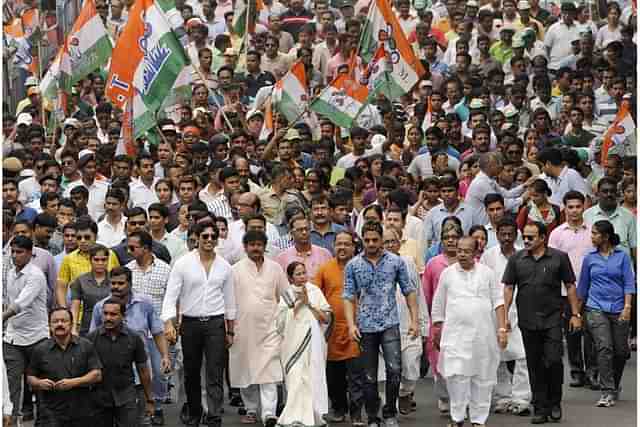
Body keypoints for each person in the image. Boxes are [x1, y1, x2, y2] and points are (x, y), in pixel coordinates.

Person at [502, 221, 582, 424]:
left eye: (531, 237)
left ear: (542, 238)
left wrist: (575, 314)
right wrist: (504, 317)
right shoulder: (516, 260)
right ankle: (540, 406)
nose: (526, 240)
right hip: (527, 320)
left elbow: (570, 286)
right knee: (534, 364)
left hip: (553, 318)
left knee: (554, 360)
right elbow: (509, 288)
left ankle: (555, 402)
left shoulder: (559, 258)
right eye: (525, 237)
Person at [343, 221, 418, 427]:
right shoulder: (353, 265)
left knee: (395, 370)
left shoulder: (396, 262)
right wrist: (351, 325)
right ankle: (373, 417)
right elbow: (348, 297)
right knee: (369, 376)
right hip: (365, 326)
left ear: (381, 240)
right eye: (367, 240)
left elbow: (409, 291)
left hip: (390, 323)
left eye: (375, 240)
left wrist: (414, 320)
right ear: (362, 240)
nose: (371, 243)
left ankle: (390, 413)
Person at [162, 221, 236, 427]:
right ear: (196, 238)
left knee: (214, 372)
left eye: (213, 236)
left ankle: (214, 417)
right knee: (192, 372)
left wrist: (230, 331)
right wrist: (169, 323)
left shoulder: (225, 266)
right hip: (190, 324)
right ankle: (194, 413)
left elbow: (230, 301)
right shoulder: (183, 264)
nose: (210, 240)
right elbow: (171, 296)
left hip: (215, 323)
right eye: (205, 236)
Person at [432, 236, 507, 427]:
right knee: (456, 377)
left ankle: (478, 420)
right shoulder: (448, 274)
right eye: (459, 250)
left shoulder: (487, 274)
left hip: (483, 336)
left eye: (466, 251)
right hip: (455, 336)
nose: (462, 254)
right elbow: (438, 303)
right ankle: (457, 417)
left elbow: (499, 301)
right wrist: (437, 329)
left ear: (476, 253)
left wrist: (502, 329)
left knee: (482, 378)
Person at [229, 230, 289, 427]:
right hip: (242, 328)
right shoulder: (235, 270)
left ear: (265, 246)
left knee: (269, 371)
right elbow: (228, 301)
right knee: (245, 370)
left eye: (259, 244)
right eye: (252, 244)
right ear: (245, 247)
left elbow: (286, 296)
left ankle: (269, 413)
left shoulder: (275, 268)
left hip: (270, 327)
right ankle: (251, 409)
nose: (256, 248)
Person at [578, 220, 636, 407]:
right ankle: (607, 391)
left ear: (606, 236)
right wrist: (576, 314)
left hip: (619, 307)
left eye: (595, 233)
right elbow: (583, 287)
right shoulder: (589, 258)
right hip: (595, 307)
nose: (592, 236)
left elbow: (629, 283)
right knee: (604, 347)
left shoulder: (623, 257)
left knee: (621, 351)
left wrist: (627, 307)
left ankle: (614, 385)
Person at [480, 217, 531, 415]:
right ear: (497, 235)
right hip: (496, 311)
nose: (507, 238)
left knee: (523, 356)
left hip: (522, 310)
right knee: (498, 357)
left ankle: (521, 398)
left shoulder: (524, 254)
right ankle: (502, 397)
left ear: (516, 235)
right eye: (503, 234)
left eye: (511, 234)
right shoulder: (488, 256)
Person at [314, 231, 365, 426]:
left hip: (356, 329)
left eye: (346, 244)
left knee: (356, 375)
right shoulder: (325, 269)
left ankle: (356, 412)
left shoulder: (361, 267)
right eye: (339, 244)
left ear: (354, 247)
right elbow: (315, 294)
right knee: (333, 375)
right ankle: (338, 408)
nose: (342, 248)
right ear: (333, 247)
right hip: (332, 331)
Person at [548, 191, 598, 388]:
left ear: (584, 207)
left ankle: (593, 371)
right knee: (573, 332)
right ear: (565, 208)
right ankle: (577, 370)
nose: (575, 210)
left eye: (578, 206)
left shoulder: (593, 232)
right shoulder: (557, 234)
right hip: (566, 291)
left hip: (592, 290)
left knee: (593, 332)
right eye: (571, 207)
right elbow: (552, 263)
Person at [276, 261, 332, 427]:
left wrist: (308, 302)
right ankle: (293, 416)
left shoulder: (315, 291)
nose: (302, 277)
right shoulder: (286, 295)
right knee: (295, 378)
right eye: (298, 274)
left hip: (314, 342)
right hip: (292, 344)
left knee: (312, 377)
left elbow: (326, 318)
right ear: (290, 277)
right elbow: (279, 323)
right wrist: (297, 304)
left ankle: (313, 416)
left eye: (303, 273)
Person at [26, 307, 102, 426]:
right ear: (49, 325)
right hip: (50, 414)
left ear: (71, 324)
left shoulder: (85, 346)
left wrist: (74, 382)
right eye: (55, 321)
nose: (59, 324)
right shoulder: (40, 349)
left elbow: (97, 375)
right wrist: (39, 383)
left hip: (81, 412)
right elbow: (30, 377)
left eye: (64, 321)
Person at [381, 228, 429, 415]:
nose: (390, 245)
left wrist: (423, 326)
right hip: (386, 328)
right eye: (386, 242)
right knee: (389, 371)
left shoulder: (408, 263)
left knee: (411, 368)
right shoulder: (374, 265)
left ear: (399, 243)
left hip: (410, 325)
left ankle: (405, 392)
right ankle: (390, 407)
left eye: (393, 241)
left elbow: (419, 295)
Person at [87, 298, 155, 427]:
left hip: (126, 396)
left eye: (113, 314)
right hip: (99, 397)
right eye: (105, 313)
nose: (108, 318)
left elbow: (143, 370)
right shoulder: (91, 339)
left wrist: (149, 399)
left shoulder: (134, 338)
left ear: (123, 316)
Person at [2, 236, 49, 422]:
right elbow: (7, 300)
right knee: (11, 384)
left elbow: (21, 303)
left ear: (30, 253)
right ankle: (11, 422)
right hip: (13, 337)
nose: (15, 256)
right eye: (12, 252)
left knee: (41, 385)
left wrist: (2, 317)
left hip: (37, 336)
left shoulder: (36, 275)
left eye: (19, 252)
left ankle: (45, 422)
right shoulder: (10, 273)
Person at [69, 244, 112, 336]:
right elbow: (75, 306)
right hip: (87, 327)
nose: (100, 263)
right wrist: (73, 328)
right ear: (90, 260)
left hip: (111, 327)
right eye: (96, 260)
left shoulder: (114, 279)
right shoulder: (81, 280)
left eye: (103, 260)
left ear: (108, 260)